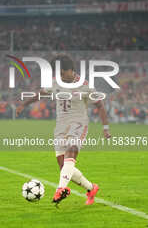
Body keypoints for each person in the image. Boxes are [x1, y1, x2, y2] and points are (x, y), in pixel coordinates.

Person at [16, 55, 111, 206]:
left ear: (71, 70)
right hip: (61, 126)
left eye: (62, 72)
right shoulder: (56, 83)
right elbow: (41, 93)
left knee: (71, 150)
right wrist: (24, 104)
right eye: (58, 73)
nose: (60, 76)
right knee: (64, 168)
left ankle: (61, 189)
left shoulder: (85, 85)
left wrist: (105, 128)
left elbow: (99, 105)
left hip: (79, 124)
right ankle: (91, 188)